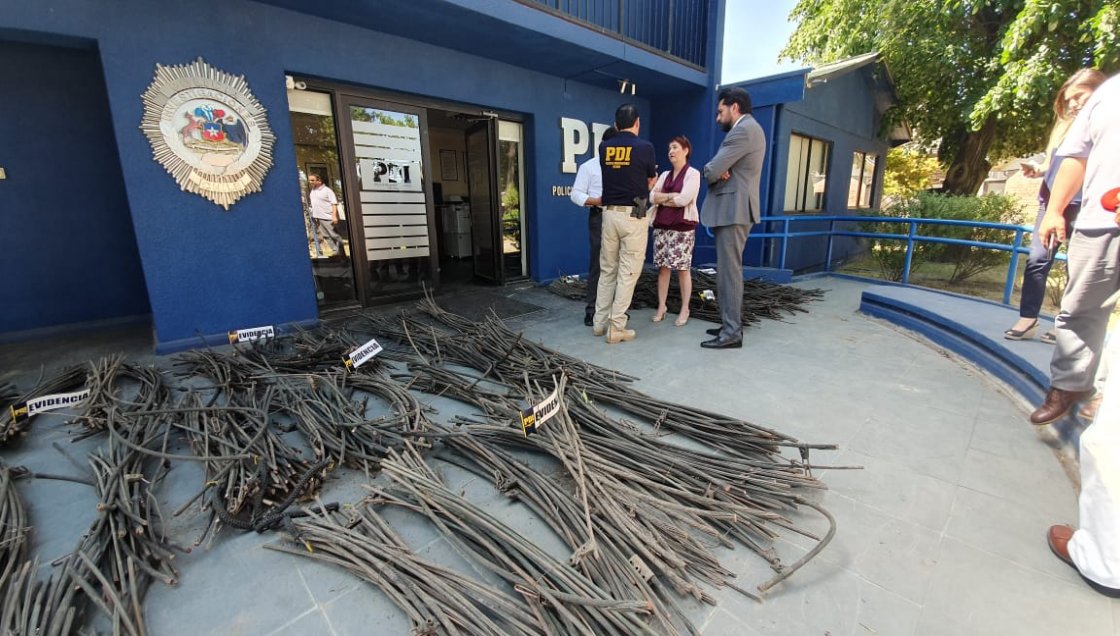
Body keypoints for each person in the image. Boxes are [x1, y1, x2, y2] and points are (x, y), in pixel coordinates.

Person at [1030, 72, 1120, 597]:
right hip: (1103, 224)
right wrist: (1057, 210)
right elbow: (1074, 158)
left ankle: (1105, 558)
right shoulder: (1108, 97)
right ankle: (1074, 382)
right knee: (1080, 312)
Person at [1004, 69, 1106, 342]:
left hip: (1086, 204)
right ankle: (1028, 318)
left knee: (1078, 265)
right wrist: (1039, 170)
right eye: (1069, 99)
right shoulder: (1064, 130)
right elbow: (1057, 165)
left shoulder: (1106, 125)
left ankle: (1064, 323)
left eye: (1079, 96)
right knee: (1037, 259)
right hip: (1051, 203)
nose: (1073, 104)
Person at [699, 87, 766, 350]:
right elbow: (720, 169)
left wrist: (716, 170)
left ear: (734, 107)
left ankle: (731, 332)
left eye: (720, 111)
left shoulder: (743, 130)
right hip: (734, 208)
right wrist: (720, 170)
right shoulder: (750, 129)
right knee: (727, 271)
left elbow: (713, 169)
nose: (717, 118)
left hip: (734, 209)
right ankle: (729, 323)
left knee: (729, 273)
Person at [593, 104, 657, 344]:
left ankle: (600, 323)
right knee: (628, 272)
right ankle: (617, 326)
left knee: (607, 270)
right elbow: (650, 178)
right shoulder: (646, 147)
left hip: (609, 214)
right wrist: (646, 185)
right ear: (637, 122)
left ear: (616, 124)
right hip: (633, 216)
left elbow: (616, 174)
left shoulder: (604, 147)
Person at [649, 135, 700, 327]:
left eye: (675, 147)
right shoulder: (663, 175)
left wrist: (666, 198)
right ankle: (662, 307)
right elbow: (653, 197)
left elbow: (684, 199)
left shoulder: (693, 174)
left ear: (686, 150)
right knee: (663, 269)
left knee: (683, 269)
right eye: (669, 148)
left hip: (682, 229)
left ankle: (684, 308)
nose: (671, 151)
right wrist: (670, 196)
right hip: (662, 227)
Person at [570, 127, 618, 327]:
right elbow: (575, 194)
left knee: (618, 264)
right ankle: (592, 310)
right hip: (599, 216)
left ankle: (615, 311)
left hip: (621, 216)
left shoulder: (624, 167)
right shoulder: (589, 167)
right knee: (598, 264)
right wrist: (595, 200)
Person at [307, 174, 346, 259]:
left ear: (319, 180)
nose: (310, 182)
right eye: (309, 180)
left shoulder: (327, 190)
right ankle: (336, 252)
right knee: (326, 236)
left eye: (312, 180)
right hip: (318, 218)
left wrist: (334, 216)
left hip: (328, 218)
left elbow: (334, 203)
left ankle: (342, 255)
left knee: (335, 235)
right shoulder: (313, 191)